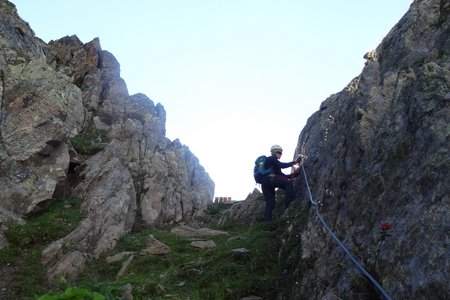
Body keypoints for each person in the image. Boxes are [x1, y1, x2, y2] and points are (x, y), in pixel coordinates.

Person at [260, 145, 302, 221]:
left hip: (265, 183)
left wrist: (295, 174)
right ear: (274, 152)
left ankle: (267, 222)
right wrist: (295, 162)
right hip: (270, 180)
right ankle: (288, 205)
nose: (280, 154)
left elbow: (284, 176)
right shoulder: (272, 158)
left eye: (281, 153)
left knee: (270, 202)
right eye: (279, 152)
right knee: (288, 184)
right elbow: (282, 165)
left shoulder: (273, 165)